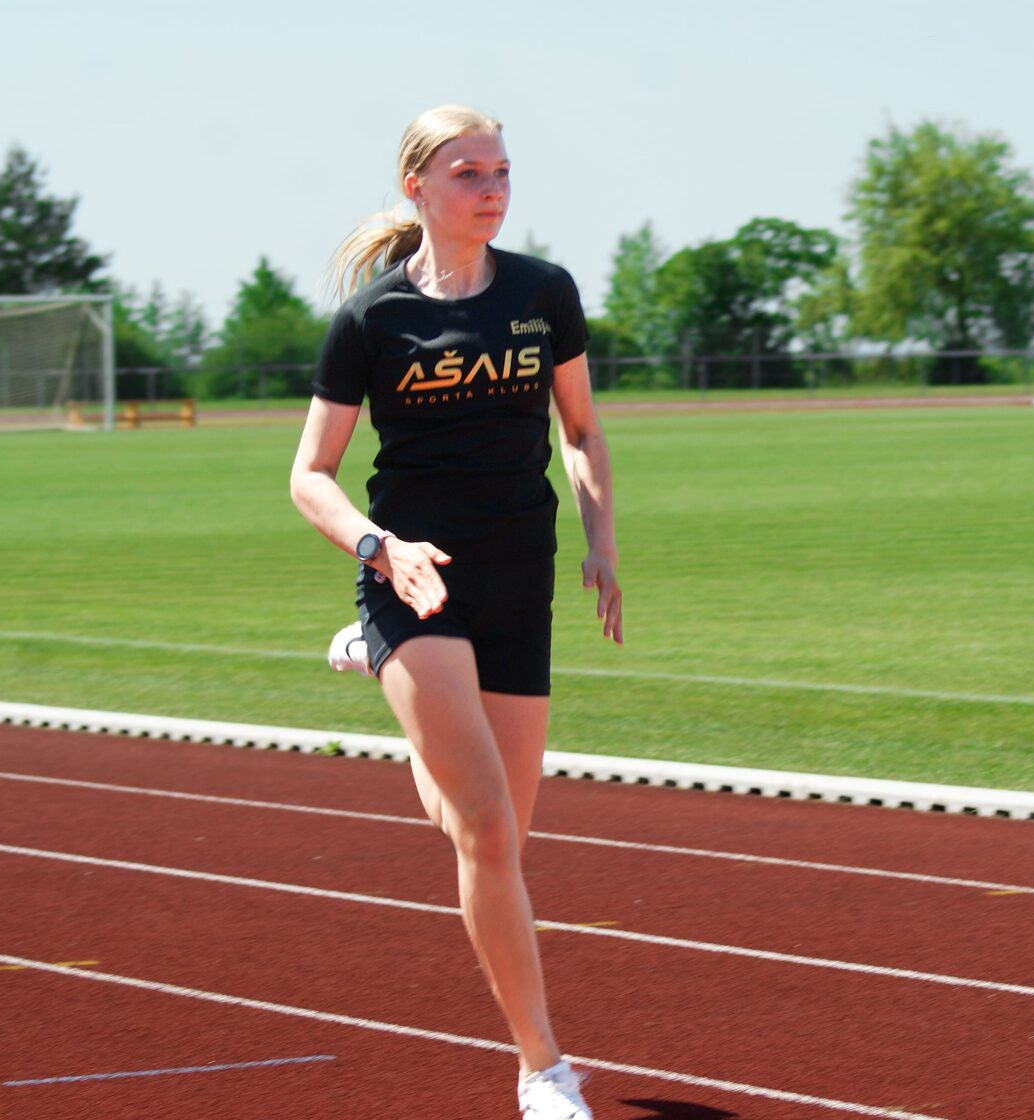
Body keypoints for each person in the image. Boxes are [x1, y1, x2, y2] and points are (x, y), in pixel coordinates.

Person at [289, 105, 621, 1120]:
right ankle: (543, 1069)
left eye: (501, 170)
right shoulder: (372, 320)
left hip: (519, 577)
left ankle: (387, 678)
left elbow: (579, 430)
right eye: (468, 172)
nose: (491, 188)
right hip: (413, 579)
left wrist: (601, 539)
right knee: (482, 828)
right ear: (418, 188)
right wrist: (377, 548)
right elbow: (309, 476)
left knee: (498, 832)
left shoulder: (542, 292)